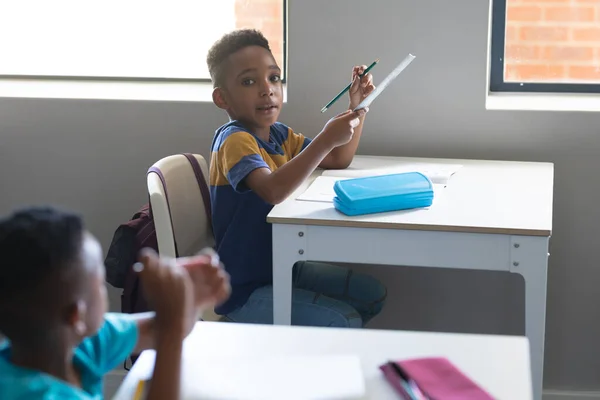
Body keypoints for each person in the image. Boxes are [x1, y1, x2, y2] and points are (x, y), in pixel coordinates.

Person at [206, 29, 387, 327]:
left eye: (274, 78)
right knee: (343, 320)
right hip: (243, 289)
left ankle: (307, 353)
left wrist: (357, 109)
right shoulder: (234, 141)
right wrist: (325, 139)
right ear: (221, 97)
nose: (267, 89)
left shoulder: (278, 134)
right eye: (249, 82)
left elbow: (337, 159)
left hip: (282, 266)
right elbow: (271, 190)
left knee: (372, 294)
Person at [0, 207, 230, 399]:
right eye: (99, 282)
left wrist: (189, 295)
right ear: (76, 316)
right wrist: (171, 325)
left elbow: (157, 329)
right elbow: (168, 329)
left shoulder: (80, 345)